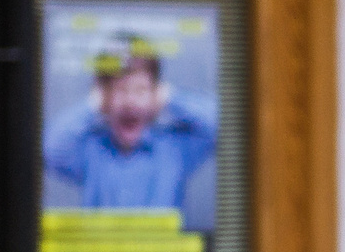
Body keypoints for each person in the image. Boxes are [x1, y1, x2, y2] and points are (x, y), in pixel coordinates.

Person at [42, 41, 218, 217]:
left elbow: (222, 124)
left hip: (161, 245)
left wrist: (169, 97)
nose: (130, 101)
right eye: (120, 90)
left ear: (155, 96)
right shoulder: (91, 149)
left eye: (140, 90)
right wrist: (94, 102)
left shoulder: (175, 148)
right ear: (104, 98)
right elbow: (48, 148)